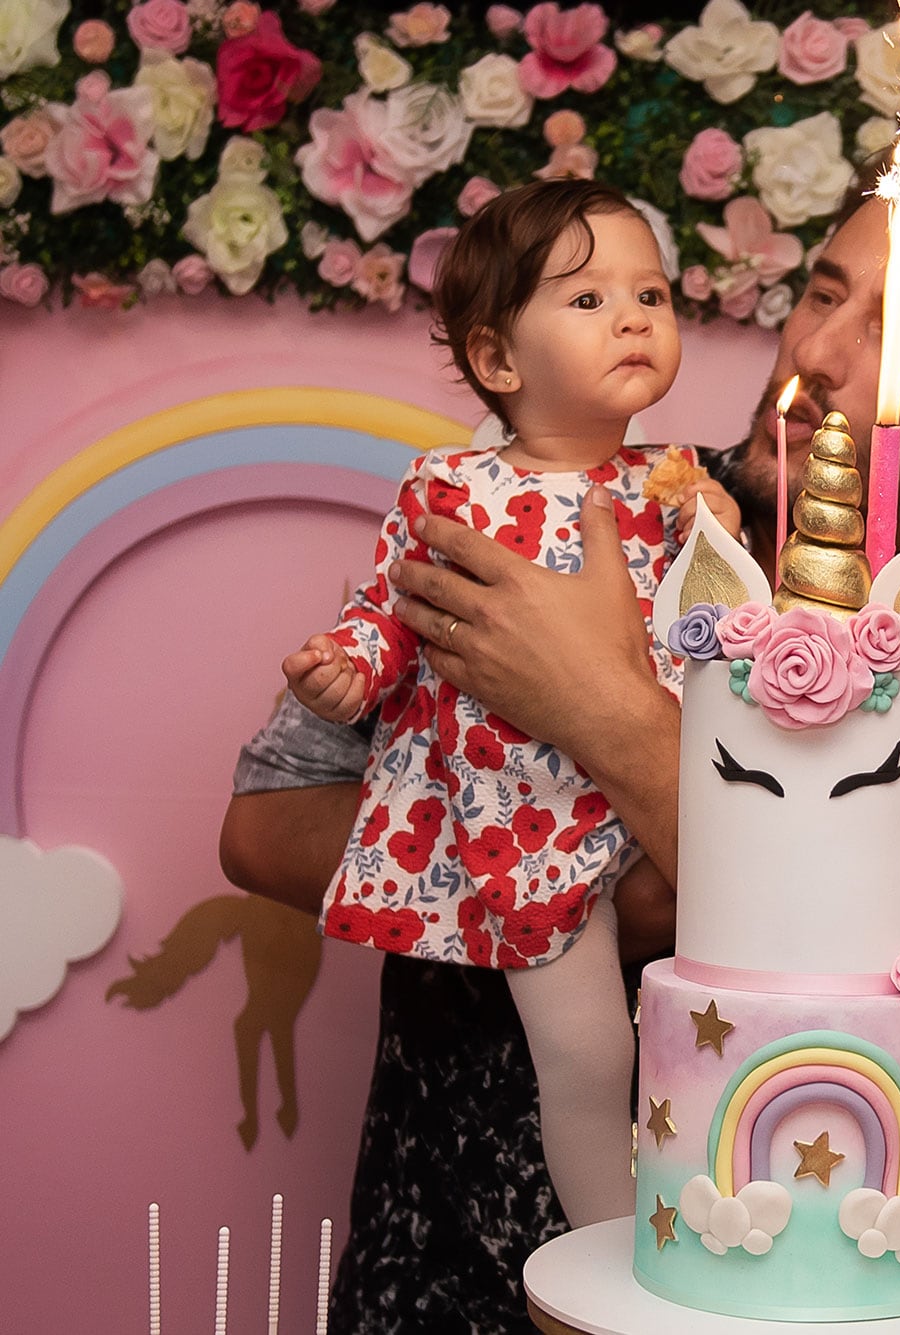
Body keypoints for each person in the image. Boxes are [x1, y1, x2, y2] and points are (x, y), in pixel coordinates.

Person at [219, 123, 900, 1334]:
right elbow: (266, 827)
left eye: (899, 340)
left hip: (760, 1294)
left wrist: (602, 713)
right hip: (433, 1271)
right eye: (820, 293)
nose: (819, 353)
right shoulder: (556, 490)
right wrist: (597, 873)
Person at [281, 176, 741, 1231]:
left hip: (660, 809)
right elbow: (395, 614)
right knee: (590, 1054)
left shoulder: (677, 484)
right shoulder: (449, 491)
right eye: (586, 301)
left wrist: (720, 540)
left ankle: (715, 1222)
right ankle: (609, 1251)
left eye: (652, 295)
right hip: (517, 825)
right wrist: (348, 664)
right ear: (496, 358)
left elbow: (731, 636)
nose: (632, 316)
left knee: (722, 1029)